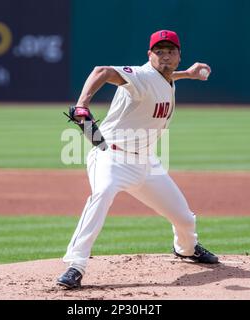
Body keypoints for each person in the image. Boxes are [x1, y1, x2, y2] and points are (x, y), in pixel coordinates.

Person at [57, 30, 218, 289]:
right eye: (159, 51)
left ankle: (186, 250)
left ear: (179, 56)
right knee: (102, 195)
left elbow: (164, 77)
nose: (165, 56)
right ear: (149, 55)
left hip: (147, 163)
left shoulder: (165, 77)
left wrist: (186, 74)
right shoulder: (141, 76)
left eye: (170, 51)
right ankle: (75, 265)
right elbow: (102, 71)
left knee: (185, 219)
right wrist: (82, 104)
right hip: (112, 157)